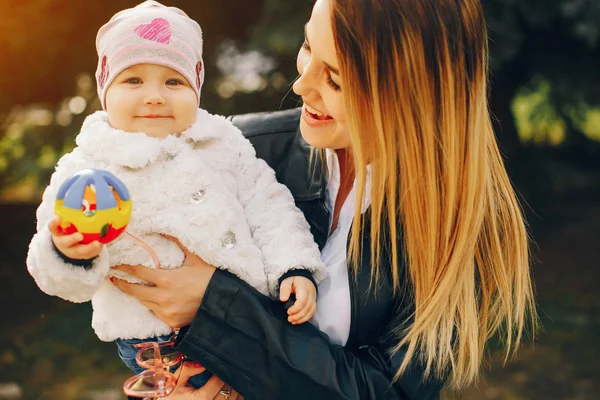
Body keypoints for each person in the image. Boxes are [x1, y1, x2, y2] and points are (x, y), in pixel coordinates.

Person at [111, 0, 538, 398]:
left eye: (334, 77)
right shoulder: (241, 151)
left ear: (410, 95)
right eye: (307, 46)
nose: (301, 85)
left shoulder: (466, 226)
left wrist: (217, 308)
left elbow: (383, 392)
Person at [25, 0, 327, 393]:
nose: (154, 96)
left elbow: (270, 208)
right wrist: (69, 252)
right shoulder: (87, 167)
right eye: (133, 81)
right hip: (155, 344)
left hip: (249, 326)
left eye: (173, 82)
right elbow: (53, 272)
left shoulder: (223, 143)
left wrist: (294, 268)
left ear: (196, 88)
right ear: (105, 89)